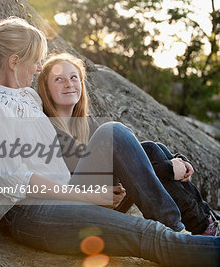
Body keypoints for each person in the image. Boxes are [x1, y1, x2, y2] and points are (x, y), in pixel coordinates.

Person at [0, 17, 220, 267]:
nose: (39, 68)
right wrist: (90, 195)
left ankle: (175, 227)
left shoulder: (30, 97)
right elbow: (14, 181)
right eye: (35, 60)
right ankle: (176, 239)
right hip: (29, 214)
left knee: (113, 132)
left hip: (68, 196)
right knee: (149, 234)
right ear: (13, 62)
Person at [37, 53, 220, 237]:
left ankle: (206, 223)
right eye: (59, 79)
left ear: (81, 84)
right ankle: (182, 229)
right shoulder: (47, 128)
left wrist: (177, 162)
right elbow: (90, 185)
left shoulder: (88, 124)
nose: (68, 83)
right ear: (46, 89)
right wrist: (168, 170)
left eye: (73, 77)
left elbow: (128, 171)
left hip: (109, 201)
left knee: (153, 149)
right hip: (80, 210)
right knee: (123, 137)